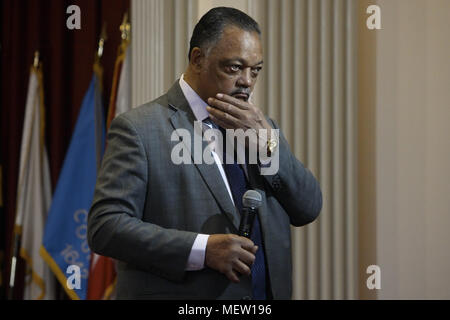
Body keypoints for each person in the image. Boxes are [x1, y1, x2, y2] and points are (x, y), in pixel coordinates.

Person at [88, 7, 322, 300]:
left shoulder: (261, 128)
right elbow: (106, 227)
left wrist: (268, 147)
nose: (247, 81)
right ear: (198, 59)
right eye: (234, 67)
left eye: (255, 70)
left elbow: (308, 207)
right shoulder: (139, 128)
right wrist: (201, 249)